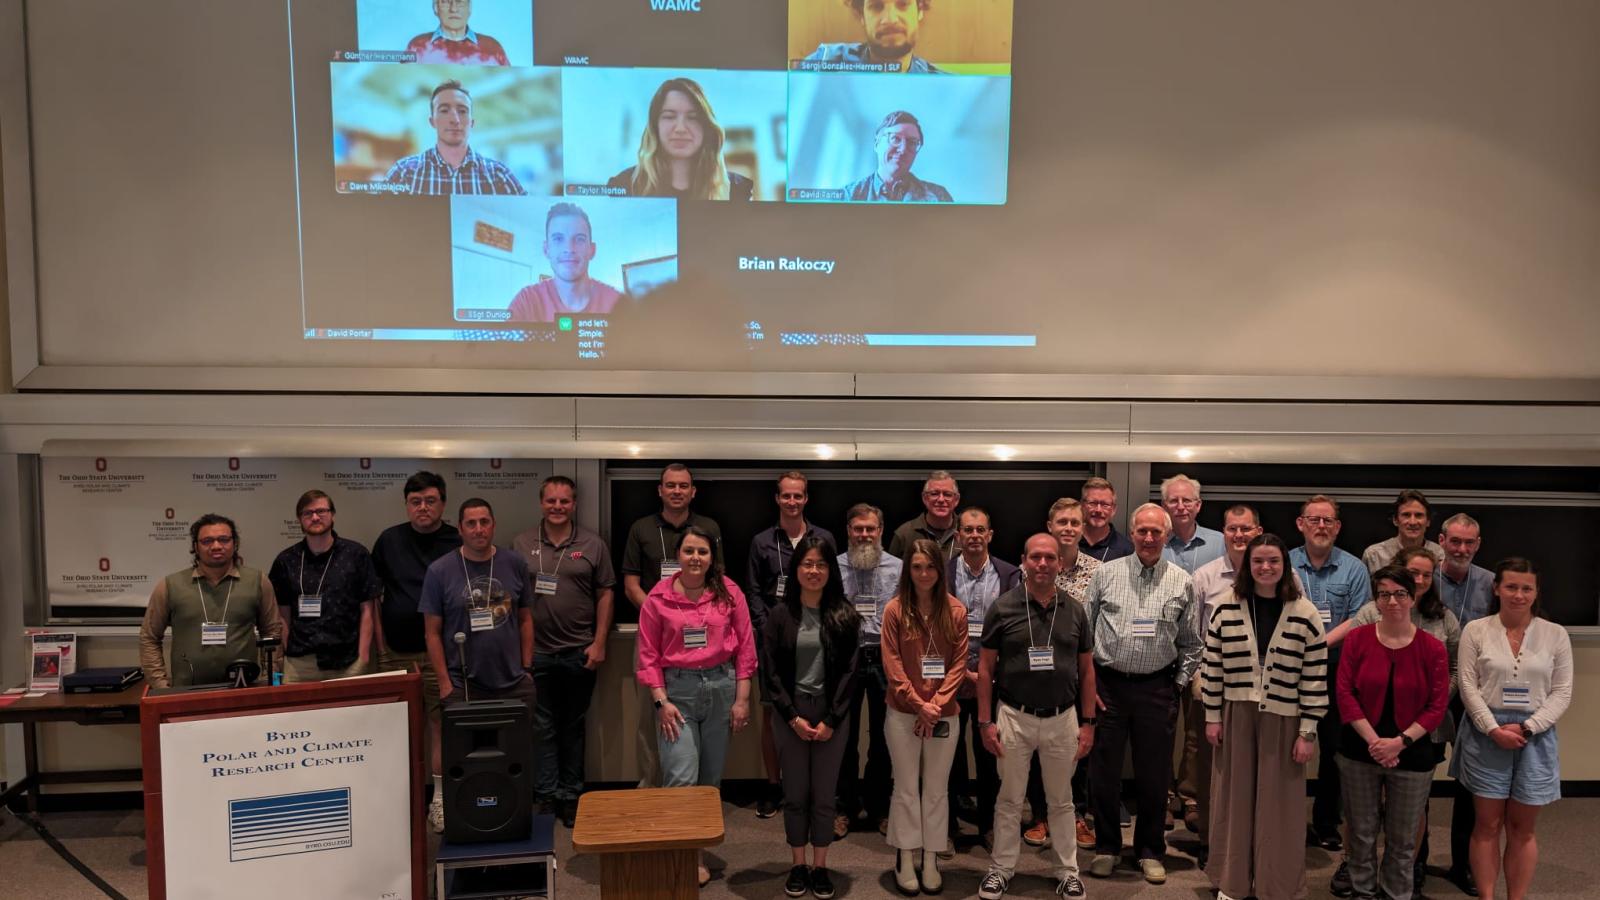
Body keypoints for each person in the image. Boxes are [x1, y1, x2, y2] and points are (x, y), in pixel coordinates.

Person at [1202, 533, 1328, 900]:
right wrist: (1212, 715)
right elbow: (1213, 666)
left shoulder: (1304, 613)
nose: (1266, 567)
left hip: (1285, 719)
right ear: (1248, 565)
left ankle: (1278, 887)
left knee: (1281, 809)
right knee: (1233, 802)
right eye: (1258, 561)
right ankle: (1232, 883)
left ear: (1285, 566)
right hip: (1236, 715)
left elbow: (1315, 674)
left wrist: (1308, 730)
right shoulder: (1226, 606)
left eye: (1274, 561)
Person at [1083, 503, 1201, 884]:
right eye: (1142, 531)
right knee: (1103, 773)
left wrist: (1176, 686)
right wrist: (1088, 686)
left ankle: (1151, 850)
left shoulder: (1182, 581)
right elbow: (1084, 635)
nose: (1149, 538)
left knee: (1154, 776)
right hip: (1108, 687)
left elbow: (1192, 643)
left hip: (1157, 688)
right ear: (1131, 533)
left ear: (1166, 536)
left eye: (1156, 532)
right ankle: (1107, 847)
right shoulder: (1105, 574)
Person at [976, 534, 1096, 900]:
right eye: (1036, 557)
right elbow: (985, 668)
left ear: (1061, 563)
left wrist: (1088, 723)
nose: (1043, 564)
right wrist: (985, 722)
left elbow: (1087, 670)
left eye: (1050, 558)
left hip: (1063, 719)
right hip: (1014, 716)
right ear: (1024, 561)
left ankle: (1067, 871)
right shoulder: (1003, 607)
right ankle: (1001, 869)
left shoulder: (1075, 609)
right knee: (1010, 799)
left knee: (1061, 801)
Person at [636, 526, 756, 888]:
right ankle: (683, 855)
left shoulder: (729, 591)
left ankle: (697, 851)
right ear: (677, 556)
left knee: (709, 782)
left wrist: (742, 699)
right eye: (689, 551)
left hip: (721, 688)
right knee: (680, 778)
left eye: (702, 552)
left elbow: (746, 650)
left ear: (711, 557)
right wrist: (661, 701)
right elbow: (647, 656)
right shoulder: (657, 598)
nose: (695, 558)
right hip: (678, 693)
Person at [1454, 558, 1572, 900]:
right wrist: (1493, 730)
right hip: (1484, 735)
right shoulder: (1476, 630)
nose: (1518, 595)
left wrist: (1529, 727)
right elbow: (1467, 685)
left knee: (1522, 829)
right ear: (1496, 588)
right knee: (1487, 825)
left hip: (1534, 738)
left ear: (1536, 592)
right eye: (1511, 587)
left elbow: (1562, 691)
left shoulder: (1555, 634)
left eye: (1526, 588)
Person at [1347, 547, 1461, 894]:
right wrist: (1374, 742)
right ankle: (1363, 891)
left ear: (1412, 598)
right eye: (1384, 594)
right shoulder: (1358, 638)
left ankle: (1398, 893)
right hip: (1359, 748)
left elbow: (1437, 703)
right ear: (1376, 600)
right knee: (1361, 833)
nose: (1392, 601)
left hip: (1413, 751)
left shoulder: (1432, 647)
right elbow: (1345, 695)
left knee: (1402, 837)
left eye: (1400, 594)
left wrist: (1399, 742)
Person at [420, 498, 536, 832]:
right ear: (460, 529)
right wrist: (444, 681)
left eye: (484, 522)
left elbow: (526, 619)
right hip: (463, 681)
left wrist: (527, 667)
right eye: (471, 523)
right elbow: (431, 633)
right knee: (459, 753)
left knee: (514, 752)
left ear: (494, 525)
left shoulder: (514, 563)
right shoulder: (440, 571)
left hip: (512, 679)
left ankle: (512, 808)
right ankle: (443, 801)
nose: (478, 529)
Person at [760, 537, 861, 900]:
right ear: (796, 569)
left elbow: (851, 673)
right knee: (795, 794)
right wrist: (791, 718)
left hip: (831, 715)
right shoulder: (779, 615)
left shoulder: (844, 614)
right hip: (792, 715)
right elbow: (770, 672)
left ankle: (820, 867)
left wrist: (832, 719)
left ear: (830, 570)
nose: (813, 571)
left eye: (820, 564)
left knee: (824, 796)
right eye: (806, 564)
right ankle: (798, 864)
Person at [511, 476, 615, 828]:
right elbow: (515, 602)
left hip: (578, 651)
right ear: (541, 503)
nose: (558, 507)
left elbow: (605, 594)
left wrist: (599, 642)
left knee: (572, 726)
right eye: (551, 501)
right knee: (540, 727)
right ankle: (546, 795)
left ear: (574, 504)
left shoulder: (592, 544)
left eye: (564, 501)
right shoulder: (521, 543)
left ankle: (571, 795)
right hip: (536, 653)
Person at [621, 463, 724, 787]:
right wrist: (663, 614)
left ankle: (701, 796)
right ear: (660, 490)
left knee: (702, 713)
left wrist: (689, 616)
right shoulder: (641, 529)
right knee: (652, 709)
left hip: (702, 634)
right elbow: (631, 585)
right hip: (656, 632)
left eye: (683, 486)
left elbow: (719, 582)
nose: (676, 491)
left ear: (693, 491)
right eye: (670, 485)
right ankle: (651, 785)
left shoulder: (708, 527)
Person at [371, 471, 462, 830]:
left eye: (430, 500)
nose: (422, 508)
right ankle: (398, 803)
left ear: (442, 503)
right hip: (397, 651)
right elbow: (373, 601)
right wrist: (381, 652)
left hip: (442, 656)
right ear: (407, 504)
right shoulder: (389, 541)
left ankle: (438, 801)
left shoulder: (458, 541)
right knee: (399, 731)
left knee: (441, 728)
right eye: (415, 501)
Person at [1288, 493, 1372, 869]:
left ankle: (1325, 823)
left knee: (1335, 753)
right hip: (1291, 670)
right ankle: (1287, 821)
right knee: (1288, 749)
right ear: (1301, 524)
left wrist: (1318, 644)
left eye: (1328, 521)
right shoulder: (1285, 562)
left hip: (1339, 671)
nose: (1321, 526)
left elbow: (1358, 619)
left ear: (1337, 527)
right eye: (1314, 519)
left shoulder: (1354, 569)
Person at [748, 472, 838, 820]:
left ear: (806, 499)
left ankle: (810, 788)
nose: (792, 502)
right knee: (774, 714)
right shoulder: (761, 542)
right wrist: (768, 629)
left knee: (814, 709)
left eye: (798, 496)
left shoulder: (823, 538)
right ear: (777, 498)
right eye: (786, 496)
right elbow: (754, 591)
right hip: (776, 642)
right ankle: (774, 785)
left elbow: (832, 585)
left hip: (815, 638)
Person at [880, 539, 967, 894]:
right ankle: (904, 856)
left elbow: (960, 664)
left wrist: (935, 707)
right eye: (917, 567)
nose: (924, 573)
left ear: (940, 570)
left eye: (930, 567)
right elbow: (892, 663)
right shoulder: (895, 610)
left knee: (935, 791)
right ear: (908, 570)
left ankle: (930, 857)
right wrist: (919, 704)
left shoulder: (956, 610)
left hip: (944, 715)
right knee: (905, 789)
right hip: (903, 713)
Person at [1184, 503, 1265, 863]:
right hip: (1214, 681)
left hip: (1261, 685)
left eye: (1246, 529)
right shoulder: (1205, 576)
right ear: (1224, 532)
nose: (1239, 535)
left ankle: (1254, 841)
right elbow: (1193, 633)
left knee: (1259, 763)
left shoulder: (1276, 574)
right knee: (1208, 762)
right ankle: (1210, 841)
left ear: (1258, 531)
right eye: (1233, 529)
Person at [139, 513, 284, 689]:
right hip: (186, 691)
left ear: (235, 543)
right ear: (196, 547)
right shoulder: (170, 585)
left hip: (244, 688)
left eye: (223, 539)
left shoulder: (258, 581)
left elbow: (272, 632)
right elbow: (149, 637)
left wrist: (268, 679)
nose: (216, 546)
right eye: (207, 541)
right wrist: (160, 685)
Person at [945, 507, 1017, 850]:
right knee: (948, 756)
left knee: (989, 756)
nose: (974, 535)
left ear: (990, 535)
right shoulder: (941, 573)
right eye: (967, 530)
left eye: (980, 530)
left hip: (993, 681)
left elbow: (1015, 631)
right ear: (957, 535)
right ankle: (948, 826)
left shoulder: (1010, 574)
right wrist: (961, 672)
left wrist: (984, 674)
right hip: (949, 681)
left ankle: (989, 827)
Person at [1034, 497, 1101, 853]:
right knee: (1037, 749)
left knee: (1078, 750)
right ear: (1050, 526)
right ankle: (1041, 815)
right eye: (1062, 522)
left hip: (1078, 677)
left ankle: (1076, 815)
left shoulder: (1098, 570)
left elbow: (1100, 628)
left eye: (1075, 522)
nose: (1069, 528)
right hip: (1037, 675)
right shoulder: (1032, 564)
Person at [834, 503, 902, 838]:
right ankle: (843, 807)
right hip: (845, 658)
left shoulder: (899, 568)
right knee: (843, 737)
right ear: (848, 530)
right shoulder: (832, 567)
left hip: (883, 657)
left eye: (870, 529)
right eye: (858, 528)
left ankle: (879, 807)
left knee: (883, 737)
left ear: (881, 531)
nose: (864, 535)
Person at [1436, 513, 1495, 895]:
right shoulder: (1423, 578)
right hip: (1429, 690)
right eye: (1454, 541)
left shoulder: (1491, 583)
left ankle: (1463, 865)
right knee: (1413, 776)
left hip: (1473, 692)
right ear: (1441, 540)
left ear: (1477, 544)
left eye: (1468, 543)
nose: (1461, 549)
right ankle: (1410, 862)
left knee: (1470, 782)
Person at [267, 490, 380, 682]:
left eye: (321, 511)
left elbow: (368, 609)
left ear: (332, 514)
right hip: (300, 664)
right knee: (298, 712)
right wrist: (286, 651)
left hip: (348, 661)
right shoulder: (286, 560)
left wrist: (363, 656)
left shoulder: (356, 554)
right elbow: (282, 613)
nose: (315, 517)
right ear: (299, 519)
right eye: (307, 513)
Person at [607, 77, 754, 201]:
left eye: (693, 118)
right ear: (655, 125)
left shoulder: (739, 190)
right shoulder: (623, 185)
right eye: (669, 116)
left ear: (706, 126)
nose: (680, 128)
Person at [385, 80, 526, 196]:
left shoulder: (500, 175)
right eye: (444, 111)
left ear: (472, 123)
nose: (454, 119)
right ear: (432, 121)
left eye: (462, 111)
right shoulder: (403, 172)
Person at [507, 203, 623, 322]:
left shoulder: (618, 302)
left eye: (579, 239)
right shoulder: (526, 301)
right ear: (546, 250)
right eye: (558, 239)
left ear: (592, 250)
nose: (569, 249)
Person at [804, 0, 947, 74]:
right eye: (877, 6)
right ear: (861, 15)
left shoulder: (947, 86)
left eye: (903, 4)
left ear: (919, 10)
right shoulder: (823, 62)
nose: (890, 19)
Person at [843, 111, 953, 203]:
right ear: (876, 144)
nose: (903, 149)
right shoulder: (849, 195)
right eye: (895, 139)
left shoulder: (939, 197)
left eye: (912, 142)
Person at [403, 0, 510, 65]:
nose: (453, 9)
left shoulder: (492, 47)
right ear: (436, 8)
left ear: (469, 8)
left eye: (460, 2)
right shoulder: (418, 46)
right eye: (445, 1)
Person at [1362, 489, 1444, 572]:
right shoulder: (1374, 555)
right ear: (1395, 520)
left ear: (1428, 521)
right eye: (1406, 515)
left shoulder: (1440, 555)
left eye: (1419, 515)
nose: (1413, 522)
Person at [887, 470, 961, 560]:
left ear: (956, 499)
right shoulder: (904, 534)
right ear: (925, 498)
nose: (941, 499)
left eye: (947, 494)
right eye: (934, 494)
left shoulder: (969, 531)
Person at [1159, 474, 1225, 574]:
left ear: (1198, 505)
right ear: (1164, 506)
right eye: (1174, 501)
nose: (1180, 507)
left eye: (1186, 500)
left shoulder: (1220, 542)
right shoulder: (1155, 543)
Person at [1078, 477, 1134, 562]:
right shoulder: (1070, 540)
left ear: (1114, 509)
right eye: (1092, 503)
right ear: (1082, 505)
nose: (1098, 510)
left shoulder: (1127, 550)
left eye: (1105, 505)